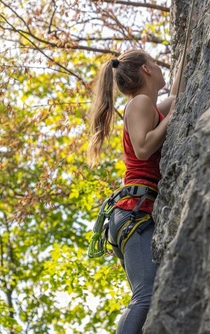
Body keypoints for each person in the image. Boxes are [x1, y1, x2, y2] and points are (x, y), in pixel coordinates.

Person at [87, 49, 186, 334]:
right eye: (155, 63)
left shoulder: (148, 106)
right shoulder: (139, 102)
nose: (159, 67)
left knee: (151, 298)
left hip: (133, 213)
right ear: (145, 69)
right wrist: (172, 116)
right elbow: (144, 148)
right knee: (146, 297)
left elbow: (177, 98)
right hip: (135, 211)